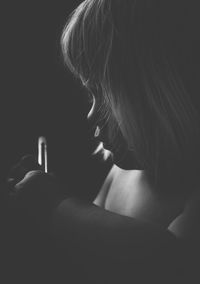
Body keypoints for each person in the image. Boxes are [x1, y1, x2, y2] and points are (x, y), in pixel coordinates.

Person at [5, 0, 200, 283]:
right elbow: (91, 248)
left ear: (163, 93)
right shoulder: (119, 175)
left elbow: (174, 260)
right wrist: (40, 220)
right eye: (90, 94)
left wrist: (57, 207)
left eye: (107, 95)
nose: (91, 113)